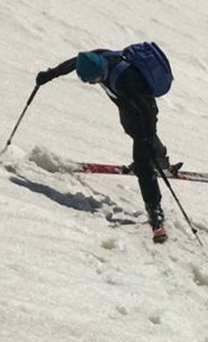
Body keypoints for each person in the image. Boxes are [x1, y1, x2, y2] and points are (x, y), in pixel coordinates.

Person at [35, 48, 169, 238]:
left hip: (143, 107)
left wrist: (147, 138)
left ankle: (155, 213)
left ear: (103, 71)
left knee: (142, 160)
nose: (92, 83)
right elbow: (72, 63)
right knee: (130, 128)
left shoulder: (128, 79)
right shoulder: (94, 59)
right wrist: (49, 75)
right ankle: (160, 157)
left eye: (94, 79)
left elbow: (147, 113)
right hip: (126, 104)